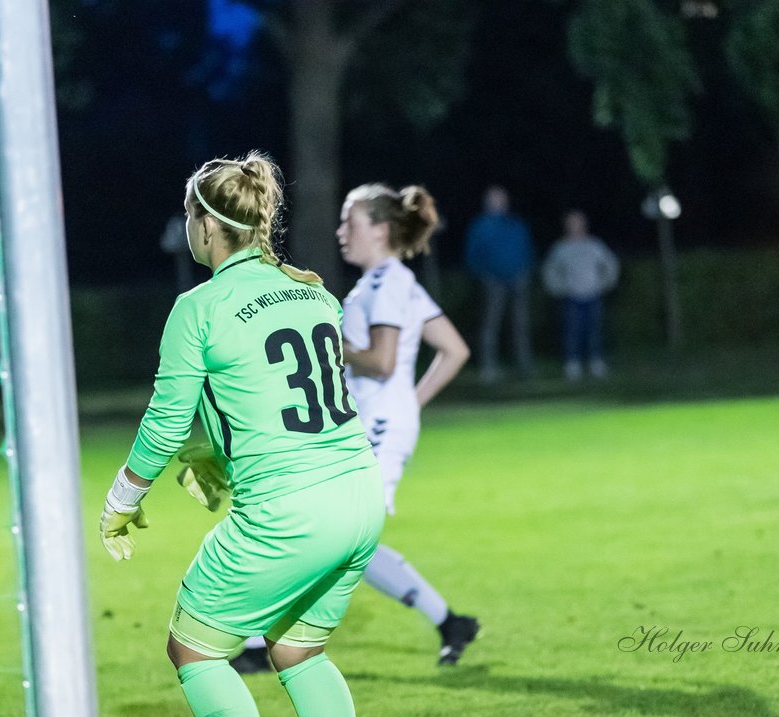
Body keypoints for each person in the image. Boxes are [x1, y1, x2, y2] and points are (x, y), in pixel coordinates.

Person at [98, 152, 388, 717]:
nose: (188, 226)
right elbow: (277, 399)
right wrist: (213, 456)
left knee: (193, 648)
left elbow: (167, 419)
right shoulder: (314, 292)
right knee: (298, 649)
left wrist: (121, 499)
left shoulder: (197, 307)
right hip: (359, 499)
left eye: (190, 214)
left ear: (207, 224)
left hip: (289, 515)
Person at [229, 183, 481, 675]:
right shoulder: (388, 281)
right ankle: (451, 623)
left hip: (379, 428)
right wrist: (411, 402)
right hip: (377, 423)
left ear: (381, 231)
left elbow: (383, 363)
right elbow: (454, 349)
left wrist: (327, 343)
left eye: (352, 222)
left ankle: (261, 646)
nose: (342, 231)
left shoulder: (387, 283)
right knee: (343, 541)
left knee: (324, 529)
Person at [463, 185, 534, 383]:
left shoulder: (515, 224)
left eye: (501, 199)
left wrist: (524, 270)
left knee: (520, 325)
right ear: (487, 202)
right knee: (490, 325)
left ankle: (524, 367)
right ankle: (488, 368)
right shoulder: (480, 225)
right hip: (492, 281)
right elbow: (472, 255)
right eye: (494, 199)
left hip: (518, 279)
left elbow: (527, 248)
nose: (498, 203)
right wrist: (483, 275)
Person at [541, 210, 620, 380]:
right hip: (571, 296)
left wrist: (605, 283)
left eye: (578, 222)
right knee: (572, 331)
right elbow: (550, 270)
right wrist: (558, 288)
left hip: (593, 294)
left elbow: (610, 263)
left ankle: (596, 362)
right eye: (571, 223)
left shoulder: (594, 245)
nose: (575, 226)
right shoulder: (561, 248)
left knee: (594, 331)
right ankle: (572, 363)